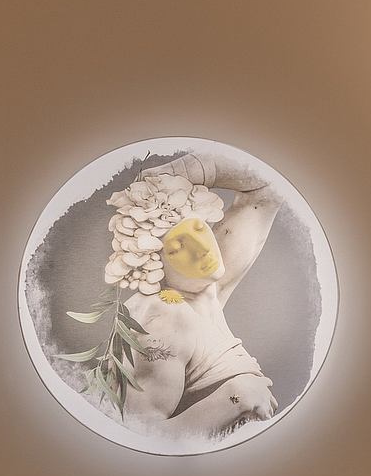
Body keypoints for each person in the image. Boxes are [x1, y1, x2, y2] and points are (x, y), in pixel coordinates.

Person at [117, 152, 283, 440]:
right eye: (177, 247)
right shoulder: (166, 323)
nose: (201, 248)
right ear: (156, 263)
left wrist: (182, 172)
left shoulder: (208, 293)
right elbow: (137, 438)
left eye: (197, 227)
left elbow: (269, 189)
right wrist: (235, 397)